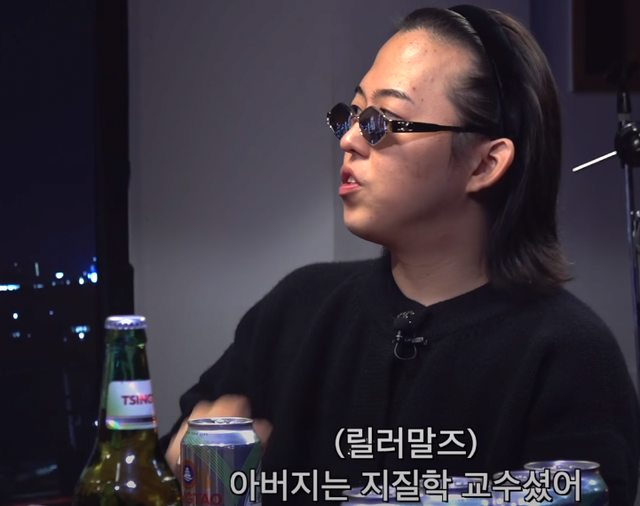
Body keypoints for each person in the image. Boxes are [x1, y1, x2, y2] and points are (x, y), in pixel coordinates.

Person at [161, 5, 640, 504]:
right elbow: (179, 455)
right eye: (351, 115)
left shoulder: (568, 356)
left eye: (382, 121)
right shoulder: (298, 308)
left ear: (484, 164)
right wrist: (201, 466)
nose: (349, 140)